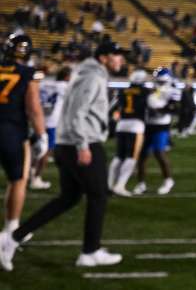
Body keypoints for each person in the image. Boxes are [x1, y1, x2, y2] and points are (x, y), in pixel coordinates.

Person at [2, 42, 128, 269]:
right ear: (104, 57)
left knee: (68, 198)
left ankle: (13, 238)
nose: (121, 60)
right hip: (82, 142)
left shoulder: (87, 73)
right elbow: (77, 112)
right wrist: (82, 145)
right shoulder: (92, 76)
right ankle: (90, 252)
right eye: (117, 55)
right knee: (98, 195)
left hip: (69, 142)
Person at [0, 33, 47, 268]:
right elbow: (34, 108)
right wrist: (42, 134)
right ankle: (11, 229)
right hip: (11, 131)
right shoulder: (28, 73)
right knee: (18, 180)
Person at [133, 68, 177, 195]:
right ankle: (141, 184)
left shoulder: (172, 91)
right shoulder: (151, 90)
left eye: (162, 81)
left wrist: (159, 110)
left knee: (159, 152)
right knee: (142, 155)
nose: (160, 83)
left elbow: (174, 108)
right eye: (158, 81)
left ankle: (168, 180)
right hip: (147, 125)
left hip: (161, 125)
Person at [108, 69, 148, 196]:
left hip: (121, 124)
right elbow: (152, 107)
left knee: (119, 156)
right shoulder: (145, 91)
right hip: (136, 125)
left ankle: (109, 185)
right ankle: (120, 186)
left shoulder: (122, 90)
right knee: (131, 157)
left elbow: (112, 108)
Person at [31, 65, 69, 192]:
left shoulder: (44, 83)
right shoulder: (64, 87)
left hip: (38, 121)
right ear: (67, 77)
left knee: (35, 149)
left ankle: (31, 173)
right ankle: (36, 178)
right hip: (51, 123)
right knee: (46, 151)